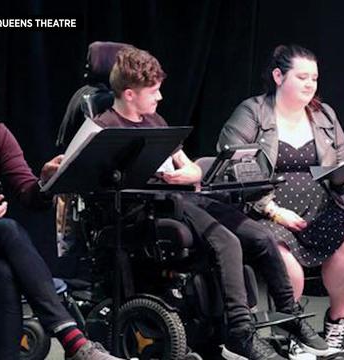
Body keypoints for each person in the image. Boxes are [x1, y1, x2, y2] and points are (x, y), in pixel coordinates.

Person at [93, 45, 330, 360]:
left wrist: (186, 173)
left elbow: (187, 165)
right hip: (147, 208)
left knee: (260, 237)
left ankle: (290, 314)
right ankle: (241, 332)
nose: (159, 98)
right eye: (153, 92)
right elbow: (91, 177)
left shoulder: (156, 121)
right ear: (129, 93)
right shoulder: (106, 127)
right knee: (227, 243)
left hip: (183, 195)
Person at [0, 31, 123, 360]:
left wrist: (48, 181)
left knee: (2, 273)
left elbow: (30, 195)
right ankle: (74, 341)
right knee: (5, 230)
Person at [218, 44, 344, 353]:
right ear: (278, 76)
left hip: (320, 207)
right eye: (302, 77)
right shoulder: (253, 112)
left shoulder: (325, 115)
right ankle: (295, 333)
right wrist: (271, 209)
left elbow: (341, 161)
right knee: (288, 266)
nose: (310, 84)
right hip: (268, 210)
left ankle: (336, 323)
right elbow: (234, 164)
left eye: (314, 78)